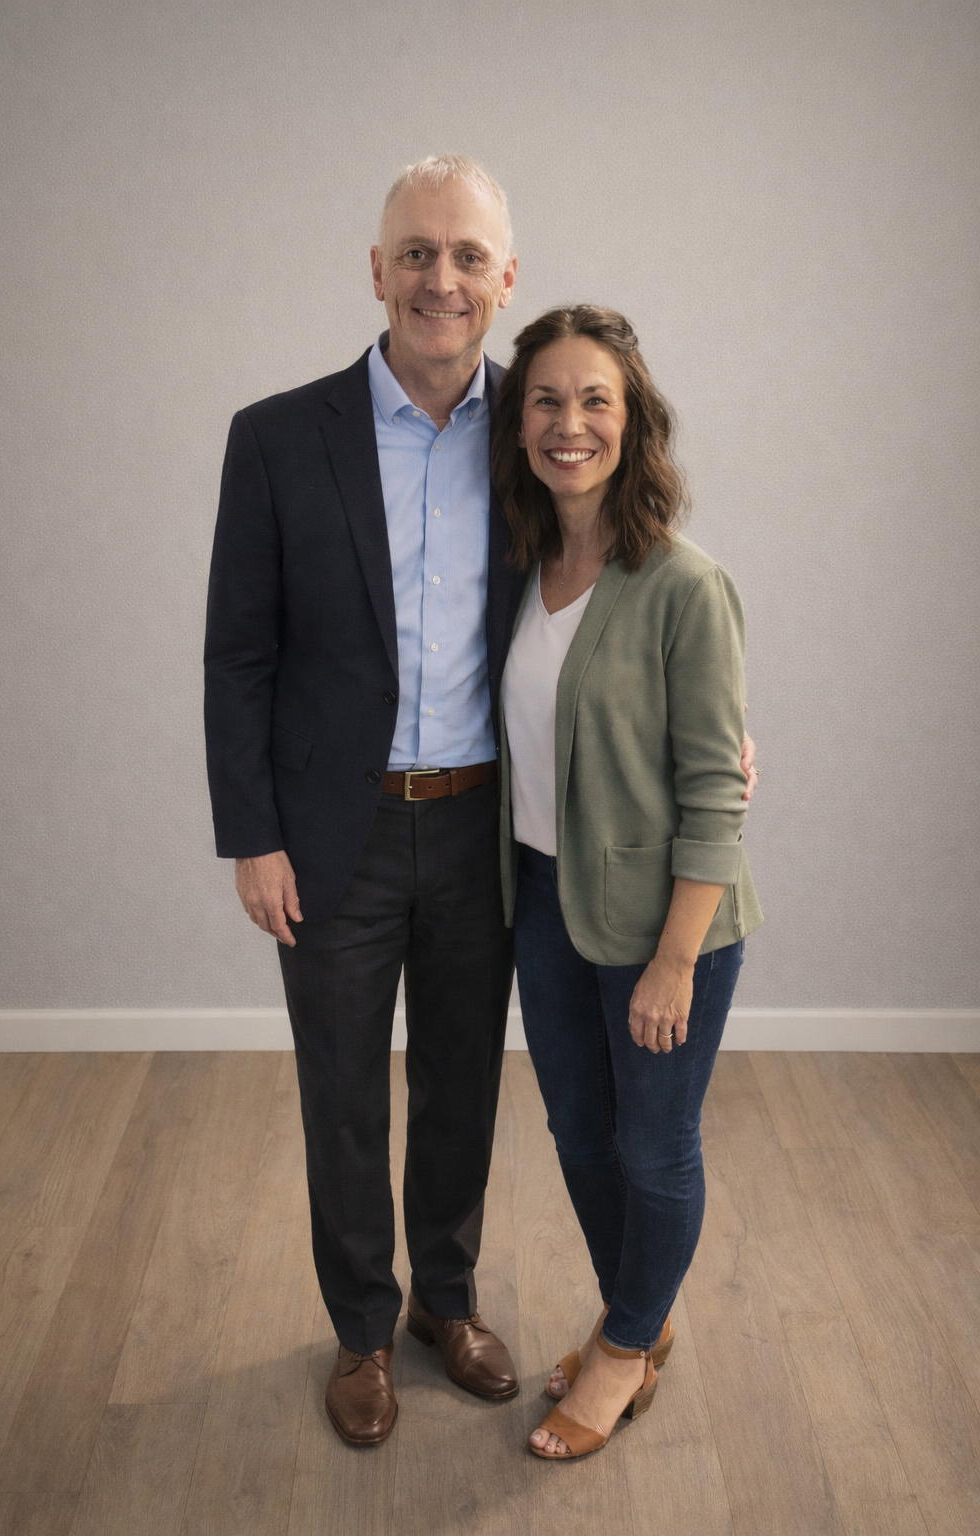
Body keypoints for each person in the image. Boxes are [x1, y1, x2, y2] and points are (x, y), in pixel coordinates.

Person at [205, 158, 758, 1449]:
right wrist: (254, 834)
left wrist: (716, 731)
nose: (439, 278)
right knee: (342, 1089)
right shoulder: (279, 435)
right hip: (330, 835)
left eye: (466, 256)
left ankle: (444, 1307)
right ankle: (359, 1331)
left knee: (463, 1083)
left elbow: (629, 594)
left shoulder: (546, 426)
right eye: (415, 252)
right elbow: (240, 652)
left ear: (504, 279)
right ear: (377, 269)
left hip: (486, 833)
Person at [491, 305, 764, 1460]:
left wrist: (671, 959)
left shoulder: (683, 586)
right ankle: (635, 1319)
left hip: (667, 925)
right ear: (518, 426)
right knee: (579, 1133)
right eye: (545, 400)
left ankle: (623, 1347)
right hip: (544, 905)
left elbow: (717, 792)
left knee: (654, 1147)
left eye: (594, 399)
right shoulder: (519, 567)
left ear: (632, 419)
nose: (568, 424)